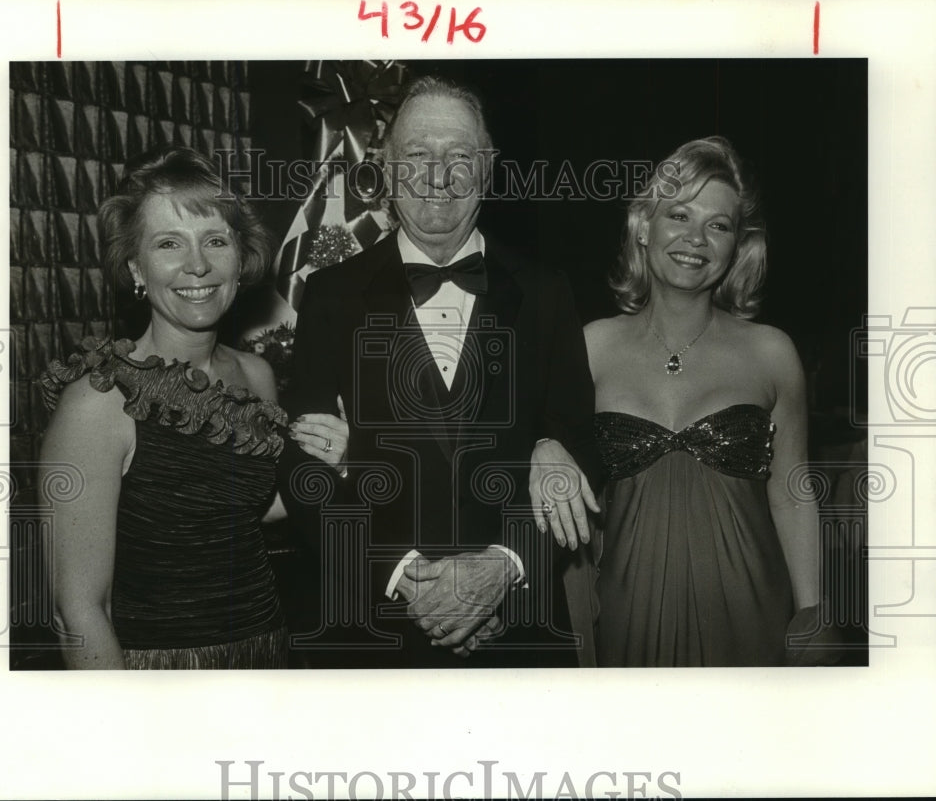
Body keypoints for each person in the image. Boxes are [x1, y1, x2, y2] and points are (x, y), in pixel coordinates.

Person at [284, 76, 597, 667]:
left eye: (459, 156)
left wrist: (505, 566)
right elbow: (305, 467)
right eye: (417, 155)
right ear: (384, 165)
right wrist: (407, 578)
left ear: (488, 168)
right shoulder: (330, 295)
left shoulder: (546, 293)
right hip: (374, 635)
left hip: (520, 633)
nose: (437, 174)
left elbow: (584, 449)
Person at [37, 146, 348, 669]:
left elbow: (237, 508)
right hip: (158, 678)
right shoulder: (99, 400)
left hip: (267, 655)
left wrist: (324, 465)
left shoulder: (257, 375)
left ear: (240, 256)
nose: (198, 264)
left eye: (215, 240)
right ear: (136, 266)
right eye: (168, 244)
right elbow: (78, 613)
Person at [568, 136, 829, 666]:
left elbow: (793, 494)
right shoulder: (590, 346)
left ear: (738, 245)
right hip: (624, 619)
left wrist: (813, 615)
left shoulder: (773, 353)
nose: (696, 239)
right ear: (644, 227)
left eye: (719, 225)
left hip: (753, 616)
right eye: (679, 215)